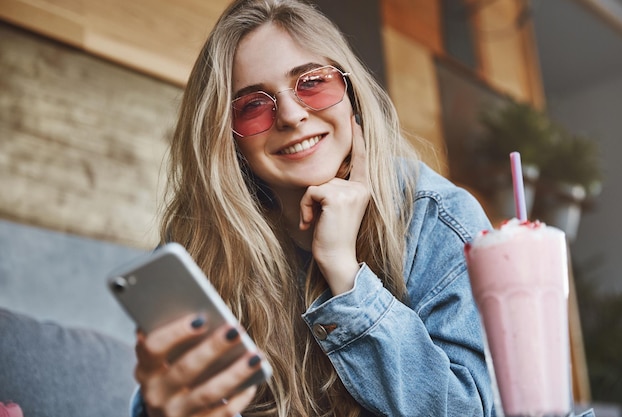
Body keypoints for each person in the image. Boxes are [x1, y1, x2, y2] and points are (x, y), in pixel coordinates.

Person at [131, 0, 496, 416]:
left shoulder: (436, 216)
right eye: (253, 105)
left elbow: (469, 411)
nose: (290, 115)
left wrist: (344, 272)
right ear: (228, 138)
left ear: (351, 94)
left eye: (312, 83)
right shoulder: (198, 244)